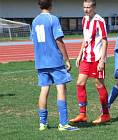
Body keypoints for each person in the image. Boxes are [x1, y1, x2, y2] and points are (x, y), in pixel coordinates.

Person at [31, 0, 79, 131]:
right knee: (61, 89)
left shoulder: (35, 21)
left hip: (41, 62)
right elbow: (59, 40)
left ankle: (43, 123)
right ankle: (63, 123)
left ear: (39, 5)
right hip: (55, 61)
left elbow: (34, 41)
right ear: (51, 5)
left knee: (44, 90)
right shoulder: (53, 19)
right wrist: (67, 59)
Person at [70, 0, 110, 124]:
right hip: (86, 59)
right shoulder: (84, 20)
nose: (86, 9)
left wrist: (102, 60)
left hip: (97, 58)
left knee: (99, 85)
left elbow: (104, 40)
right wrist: (79, 54)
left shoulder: (99, 20)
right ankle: (83, 114)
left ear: (94, 7)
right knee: (79, 83)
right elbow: (85, 39)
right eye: (84, 7)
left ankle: (106, 114)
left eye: (88, 7)